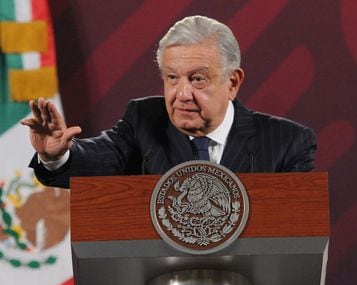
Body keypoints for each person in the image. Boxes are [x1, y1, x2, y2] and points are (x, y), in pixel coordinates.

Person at [21, 15, 317, 189]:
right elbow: (98, 157)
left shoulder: (287, 142)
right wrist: (57, 155)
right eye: (172, 78)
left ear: (233, 82)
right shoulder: (144, 122)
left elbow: (295, 237)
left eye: (197, 79)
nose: (182, 93)